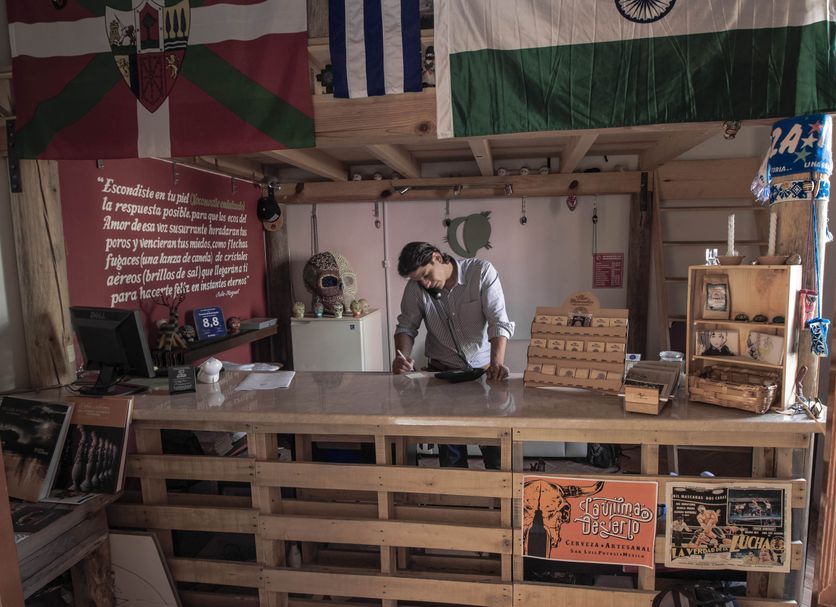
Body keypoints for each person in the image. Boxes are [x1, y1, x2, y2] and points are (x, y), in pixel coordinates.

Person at [392, 242, 515, 469]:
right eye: (418, 280)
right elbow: (406, 327)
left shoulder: (480, 272)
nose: (424, 284)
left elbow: (498, 321)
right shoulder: (415, 287)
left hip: (483, 375)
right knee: (451, 457)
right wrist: (403, 356)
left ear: (437, 258)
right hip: (442, 377)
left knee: (496, 452)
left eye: (426, 275)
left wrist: (497, 363)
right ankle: (456, 492)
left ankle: (499, 492)